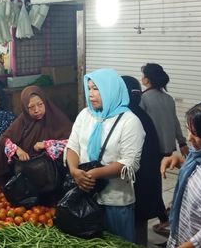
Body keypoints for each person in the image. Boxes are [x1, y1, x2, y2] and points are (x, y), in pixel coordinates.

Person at [66, 69, 144, 242]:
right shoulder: (85, 115)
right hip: (84, 195)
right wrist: (73, 171)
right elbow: (73, 146)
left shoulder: (129, 122)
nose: (91, 94)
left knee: (116, 243)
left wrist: (93, 175)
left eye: (97, 89)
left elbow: (129, 164)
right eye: (89, 88)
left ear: (111, 90)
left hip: (115, 199)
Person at [140, 63, 188, 236]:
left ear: (147, 79)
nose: (142, 78)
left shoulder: (143, 98)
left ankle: (164, 219)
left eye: (143, 75)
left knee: (151, 184)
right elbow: (175, 123)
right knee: (156, 182)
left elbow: (141, 126)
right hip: (167, 149)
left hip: (152, 150)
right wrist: (182, 143)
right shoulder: (168, 98)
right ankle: (165, 215)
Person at [0, 85, 72, 187]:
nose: (37, 110)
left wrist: (46, 144)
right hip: (27, 176)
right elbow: (4, 140)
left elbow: (72, 142)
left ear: (45, 102)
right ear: (25, 108)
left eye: (40, 104)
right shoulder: (22, 121)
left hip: (53, 177)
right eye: (31, 107)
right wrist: (17, 149)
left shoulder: (57, 118)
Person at [122, 76, 164, 246]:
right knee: (139, 224)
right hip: (145, 182)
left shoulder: (128, 119)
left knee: (134, 227)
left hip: (136, 184)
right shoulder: (141, 115)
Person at [161, 102, 201, 248]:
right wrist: (181, 161)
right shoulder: (198, 157)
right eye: (188, 130)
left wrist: (189, 245)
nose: (188, 138)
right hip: (182, 234)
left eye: (195, 134)